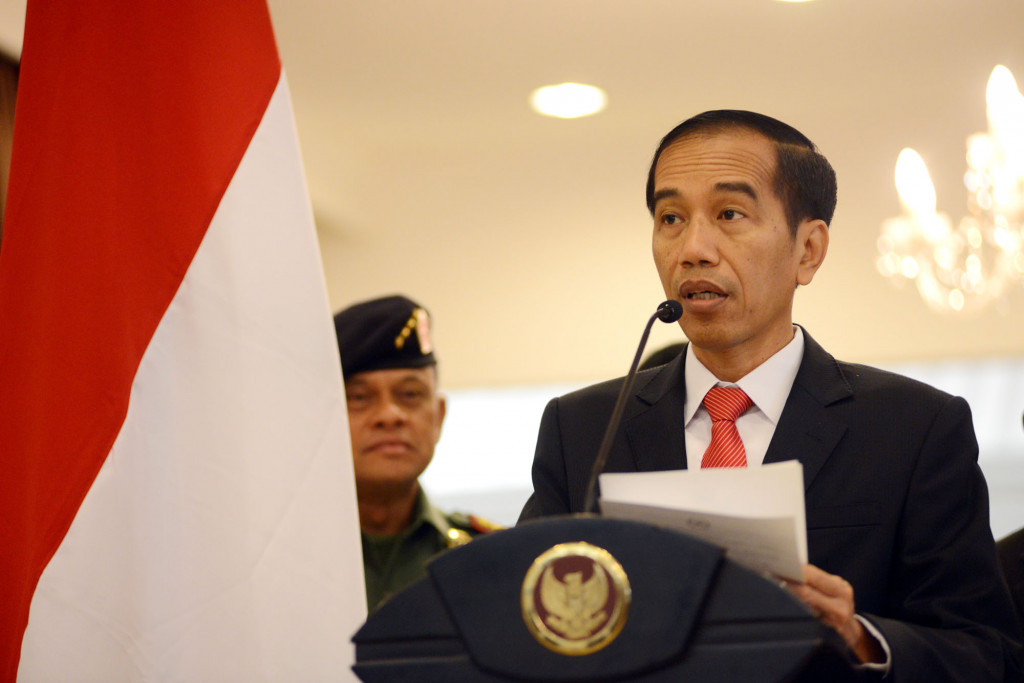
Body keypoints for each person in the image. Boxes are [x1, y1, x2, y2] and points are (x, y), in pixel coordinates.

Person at [518, 110, 1023, 681]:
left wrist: (862, 640)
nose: (693, 249)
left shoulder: (915, 427)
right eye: (671, 218)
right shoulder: (582, 428)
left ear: (808, 250)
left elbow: (989, 657)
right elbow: (516, 622)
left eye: (729, 213)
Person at [335, 294, 497, 611]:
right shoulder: (281, 559)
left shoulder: (488, 556)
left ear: (438, 416)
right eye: (358, 397)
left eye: (409, 394)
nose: (390, 415)